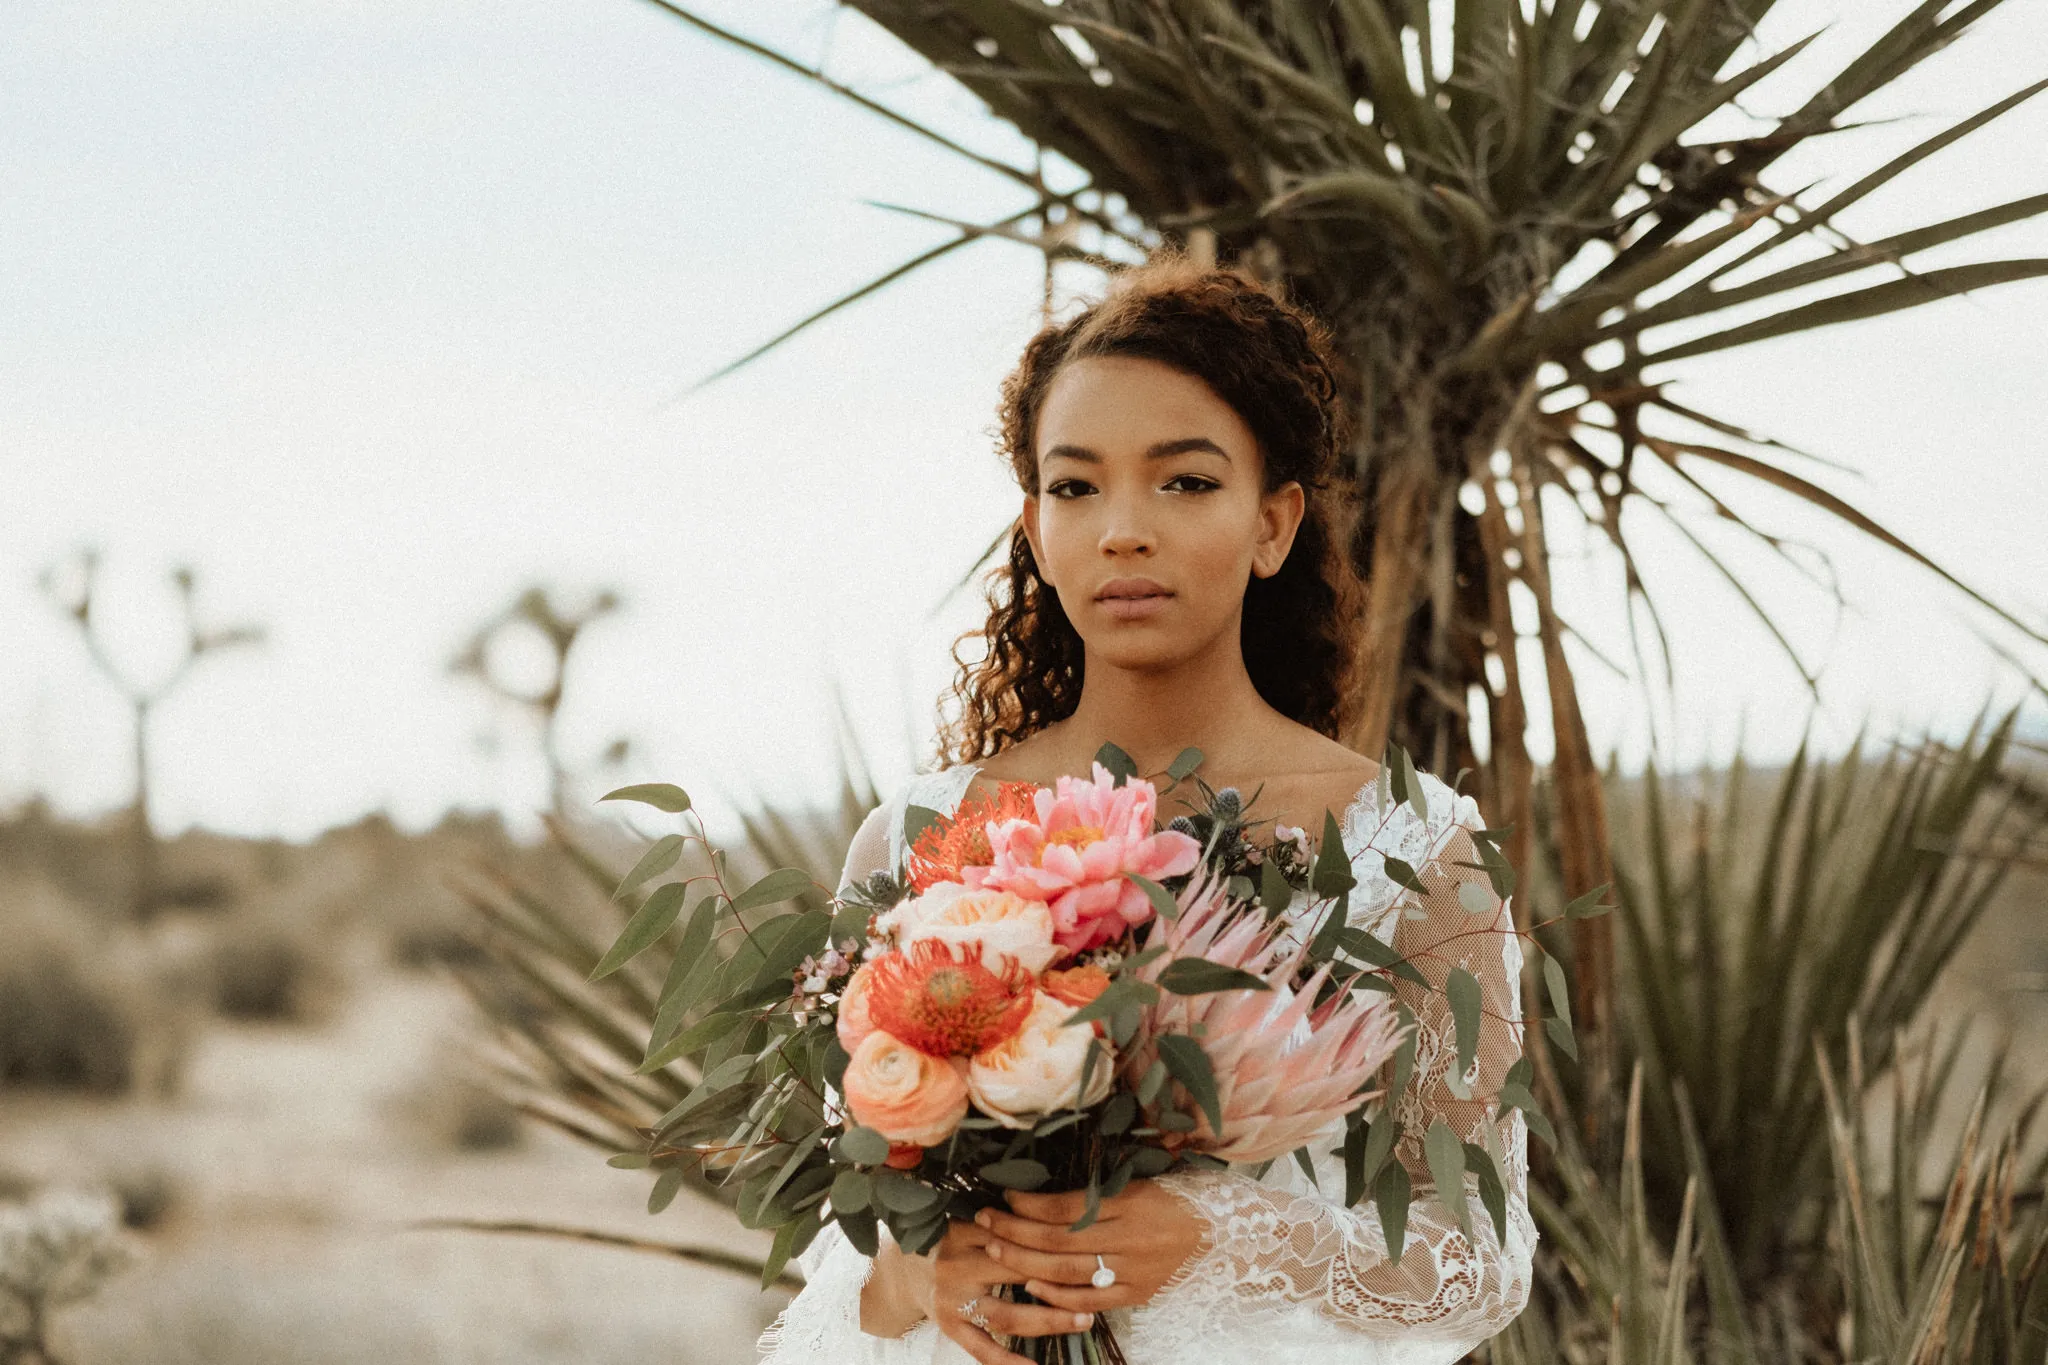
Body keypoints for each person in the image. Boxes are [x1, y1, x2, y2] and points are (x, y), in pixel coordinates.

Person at [757, 250, 1535, 1364]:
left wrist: (1220, 1233)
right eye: (1075, 486)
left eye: (1184, 481)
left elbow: (1479, 1253)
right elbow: (843, 1243)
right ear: (1035, 532)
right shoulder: (916, 839)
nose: (1122, 528)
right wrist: (913, 1268)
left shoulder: (1413, 850)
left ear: (1272, 525)